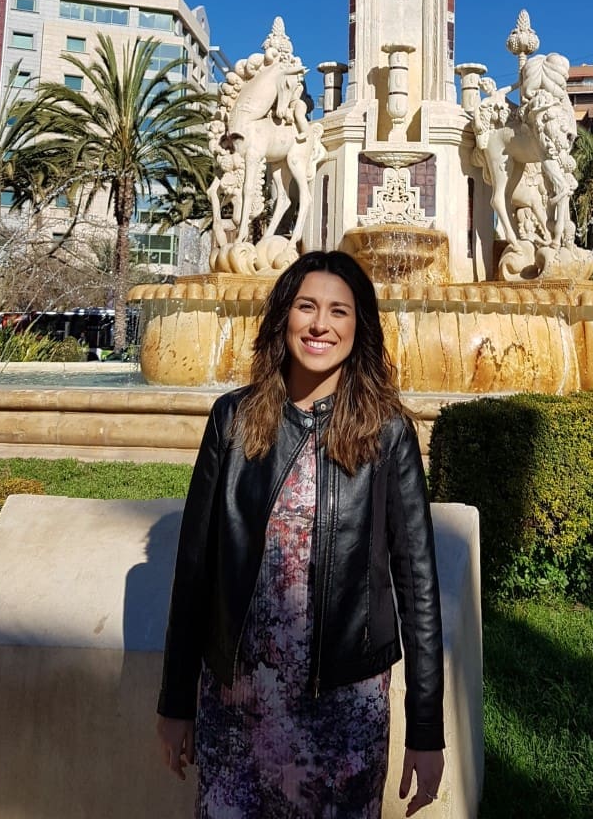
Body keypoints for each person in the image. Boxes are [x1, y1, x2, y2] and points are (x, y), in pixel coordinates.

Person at [156, 250, 445, 816]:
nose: (320, 325)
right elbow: (195, 571)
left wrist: (426, 731)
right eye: (306, 307)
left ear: (358, 327)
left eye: (338, 311)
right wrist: (175, 702)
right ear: (283, 317)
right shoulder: (233, 421)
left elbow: (419, 588)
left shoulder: (387, 433)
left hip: (344, 710)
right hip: (239, 704)